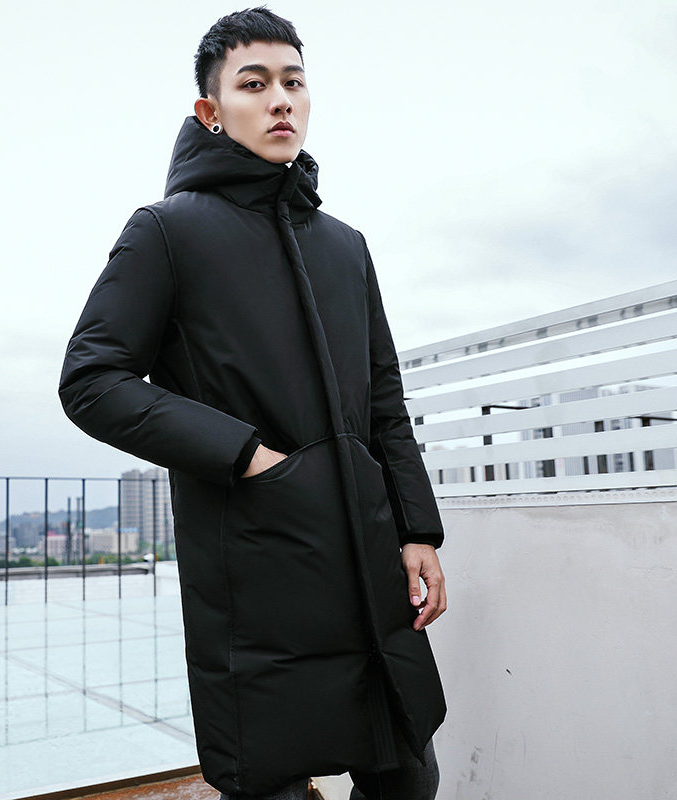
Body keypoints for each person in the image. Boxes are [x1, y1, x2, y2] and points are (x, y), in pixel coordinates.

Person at [58, 7, 448, 800]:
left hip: (369, 562)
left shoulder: (345, 245)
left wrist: (417, 531)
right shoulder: (166, 231)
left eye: (293, 83)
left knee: (409, 777)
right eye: (255, 83)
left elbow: (384, 398)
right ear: (210, 110)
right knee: (271, 782)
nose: (280, 100)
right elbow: (92, 379)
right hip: (256, 568)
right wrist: (247, 456)